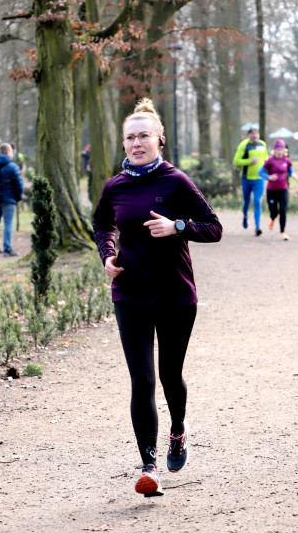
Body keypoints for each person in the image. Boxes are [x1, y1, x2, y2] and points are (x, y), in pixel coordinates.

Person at [93, 98, 222, 497]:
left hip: (175, 294)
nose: (136, 143)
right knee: (142, 379)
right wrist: (108, 254)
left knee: (169, 376)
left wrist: (177, 225)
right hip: (129, 293)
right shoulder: (115, 186)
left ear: (159, 139)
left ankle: (178, 429)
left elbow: (213, 228)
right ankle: (148, 467)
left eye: (143, 136)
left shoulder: (176, 182)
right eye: (130, 137)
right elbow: (101, 225)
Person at [0, 142, 24, 256]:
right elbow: (19, 185)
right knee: (8, 224)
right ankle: (7, 249)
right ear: (9, 152)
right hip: (8, 199)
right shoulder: (13, 167)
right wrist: (18, 198)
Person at [259, 139, 298, 241]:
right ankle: (272, 219)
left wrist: (293, 174)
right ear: (274, 150)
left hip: (283, 189)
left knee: (283, 210)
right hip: (271, 190)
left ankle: (282, 232)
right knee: (274, 211)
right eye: (278, 149)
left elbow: (290, 169)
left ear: (284, 151)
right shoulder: (270, 161)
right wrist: (269, 177)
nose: (280, 152)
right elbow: (260, 172)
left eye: (281, 150)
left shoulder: (287, 160)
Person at [233, 126, 268, 236]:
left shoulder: (263, 145)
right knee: (246, 201)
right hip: (246, 178)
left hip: (259, 179)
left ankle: (257, 226)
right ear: (249, 135)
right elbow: (236, 161)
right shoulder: (244, 145)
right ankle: (245, 215)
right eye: (252, 133)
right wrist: (249, 161)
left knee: (257, 201)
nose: (255, 135)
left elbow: (266, 160)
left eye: (256, 133)